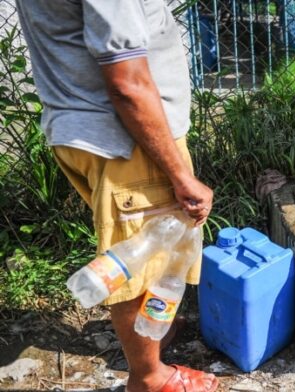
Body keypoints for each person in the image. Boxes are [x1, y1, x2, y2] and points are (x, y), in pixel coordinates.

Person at [16, 1, 218, 391]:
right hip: (126, 138)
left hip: (87, 125)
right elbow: (127, 81)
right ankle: (148, 377)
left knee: (145, 252)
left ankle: (151, 342)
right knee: (136, 260)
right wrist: (180, 173)